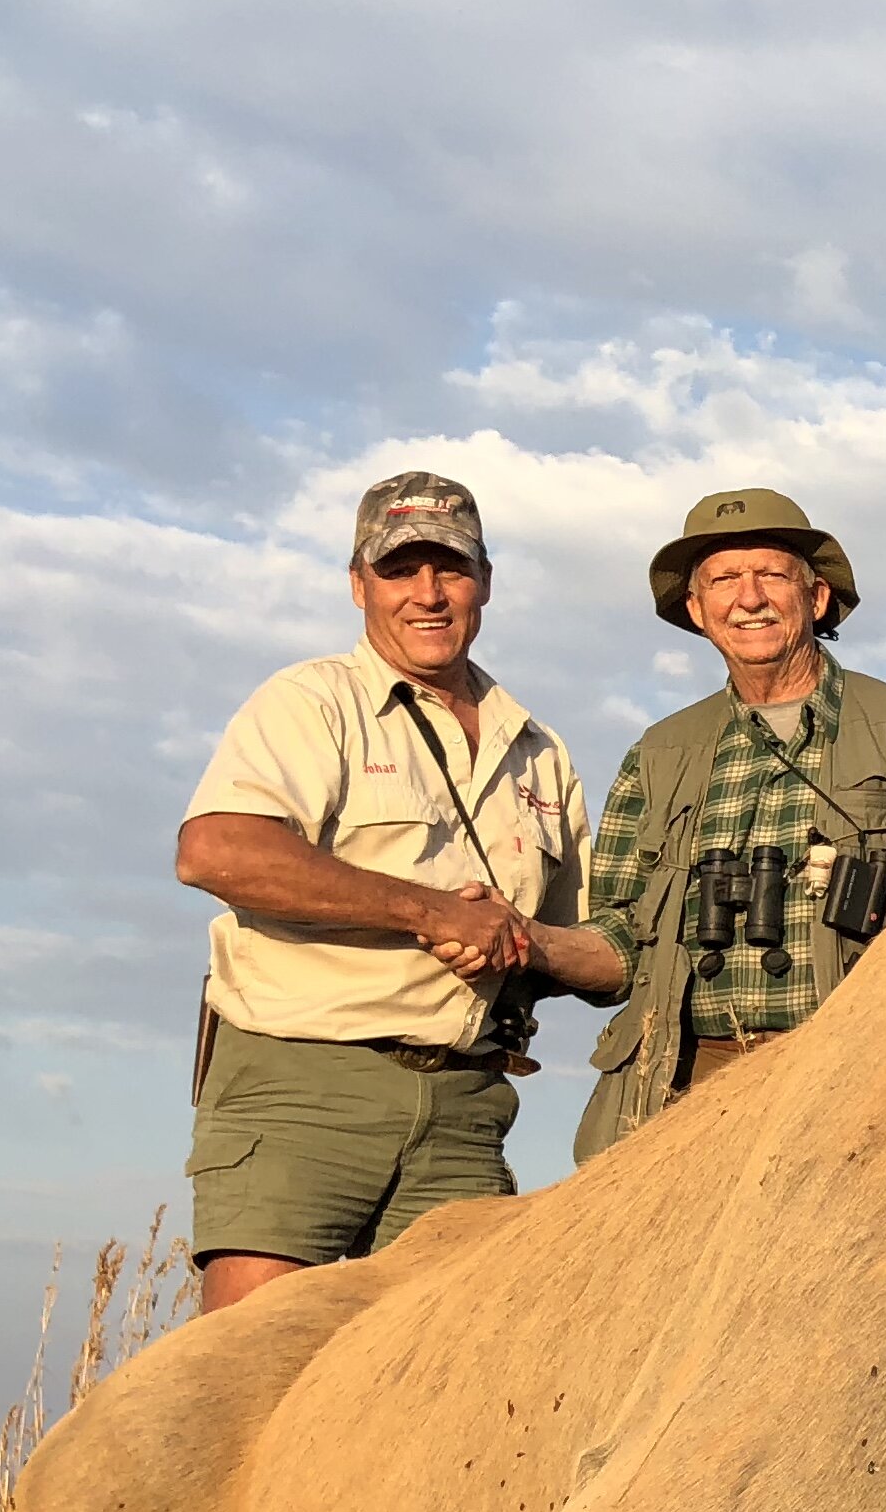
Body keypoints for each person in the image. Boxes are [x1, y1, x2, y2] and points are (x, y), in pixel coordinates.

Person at [177, 471, 626, 1315]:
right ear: (358, 585)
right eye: (399, 570)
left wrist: (517, 939)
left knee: (456, 1378)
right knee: (246, 1374)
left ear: (484, 582)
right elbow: (215, 851)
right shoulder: (311, 703)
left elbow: (601, 952)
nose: (428, 594)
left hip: (466, 1101)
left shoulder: (538, 748)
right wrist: (432, 912)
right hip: (303, 1077)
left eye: (450, 569)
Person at [574, 488, 886, 1161]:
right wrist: (523, 942)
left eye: (772, 575)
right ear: (698, 611)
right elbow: (618, 930)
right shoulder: (657, 752)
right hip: (685, 1086)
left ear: (815, 599)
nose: (750, 597)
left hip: (854, 1084)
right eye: (725, 580)